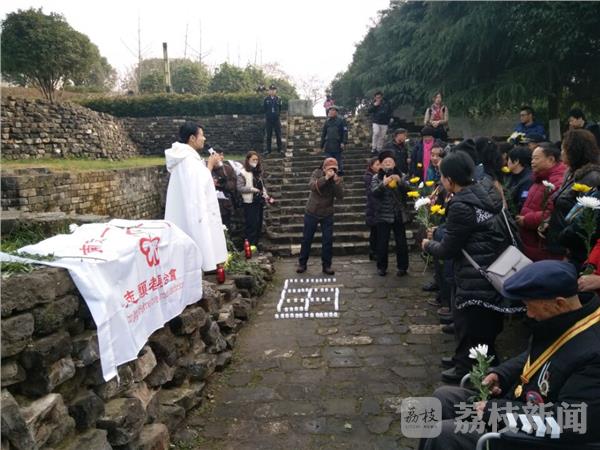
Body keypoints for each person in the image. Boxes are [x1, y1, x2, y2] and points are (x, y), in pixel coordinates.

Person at [419, 260, 600, 450]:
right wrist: (502, 374)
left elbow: (570, 420)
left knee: (444, 434)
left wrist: (498, 412)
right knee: (442, 399)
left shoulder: (593, 353)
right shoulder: (566, 319)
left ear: (559, 303)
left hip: (536, 437)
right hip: (519, 407)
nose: (529, 314)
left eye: (530, 306)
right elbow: (535, 355)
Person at [421, 151, 520, 383]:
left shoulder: (461, 205)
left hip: (475, 273)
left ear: (450, 180)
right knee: (480, 323)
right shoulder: (486, 190)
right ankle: (462, 358)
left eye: (442, 176)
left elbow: (448, 249)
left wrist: (428, 244)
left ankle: (469, 370)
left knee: (472, 324)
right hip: (492, 265)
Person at [164, 122, 227, 271]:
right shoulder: (187, 159)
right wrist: (210, 165)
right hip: (193, 210)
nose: (204, 139)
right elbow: (198, 186)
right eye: (201, 135)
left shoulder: (186, 157)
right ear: (192, 138)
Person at [544, 129, 600, 259]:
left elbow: (585, 218)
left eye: (564, 149)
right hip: (560, 241)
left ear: (575, 151)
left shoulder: (592, 177)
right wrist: (548, 222)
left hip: (573, 248)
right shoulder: (570, 173)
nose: (561, 153)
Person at [516, 142, 566, 261]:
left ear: (551, 160)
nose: (532, 162)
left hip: (544, 247)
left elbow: (552, 213)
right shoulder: (540, 178)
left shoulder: (557, 181)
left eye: (536, 158)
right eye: (532, 158)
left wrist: (526, 220)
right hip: (532, 244)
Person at [296, 158, 344, 275]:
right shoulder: (316, 173)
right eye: (329, 168)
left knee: (327, 240)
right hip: (312, 210)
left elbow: (340, 196)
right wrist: (325, 178)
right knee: (307, 238)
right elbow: (312, 186)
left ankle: (326, 265)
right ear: (324, 168)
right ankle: (302, 263)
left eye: (334, 169)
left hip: (327, 212)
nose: (332, 171)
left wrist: (336, 183)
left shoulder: (337, 178)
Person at [371, 150, 409, 277]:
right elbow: (374, 192)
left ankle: (402, 267)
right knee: (382, 243)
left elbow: (410, 190)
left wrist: (400, 181)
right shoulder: (376, 177)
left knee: (401, 242)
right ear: (381, 165)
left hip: (398, 214)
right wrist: (383, 184)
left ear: (394, 163)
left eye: (390, 161)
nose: (388, 163)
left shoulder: (402, 175)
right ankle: (381, 267)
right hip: (383, 214)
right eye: (385, 162)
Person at [237, 151, 269, 247]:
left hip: (259, 201)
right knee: (251, 225)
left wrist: (265, 193)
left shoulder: (257, 172)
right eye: (253, 159)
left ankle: (255, 244)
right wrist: (251, 189)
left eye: (256, 160)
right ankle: (250, 246)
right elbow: (239, 188)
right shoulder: (243, 173)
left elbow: (261, 185)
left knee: (258, 224)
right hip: (249, 202)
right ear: (248, 160)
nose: (255, 161)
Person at [211, 148, 238, 229]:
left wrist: (221, 184)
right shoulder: (207, 168)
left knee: (226, 226)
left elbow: (233, 184)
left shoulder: (228, 169)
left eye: (222, 155)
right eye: (219, 155)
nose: (221, 157)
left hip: (225, 204)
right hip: (212, 204)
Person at [320, 105, 348, 176]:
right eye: (330, 111)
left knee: (338, 161)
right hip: (328, 145)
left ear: (336, 112)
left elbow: (345, 132)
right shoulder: (327, 122)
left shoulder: (341, 121)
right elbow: (323, 134)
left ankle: (339, 174)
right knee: (329, 162)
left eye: (332, 110)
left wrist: (343, 142)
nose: (330, 112)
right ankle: (329, 175)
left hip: (337, 144)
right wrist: (321, 145)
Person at [505, 145, 533, 213]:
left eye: (508, 159)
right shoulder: (513, 176)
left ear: (516, 161)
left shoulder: (528, 180)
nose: (507, 162)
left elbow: (522, 203)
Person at [364, 157, 381, 261]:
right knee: (375, 231)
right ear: (371, 166)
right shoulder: (369, 177)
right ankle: (373, 252)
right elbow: (371, 193)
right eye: (377, 164)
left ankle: (375, 251)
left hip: (377, 207)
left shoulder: (379, 175)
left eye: (380, 164)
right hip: (373, 208)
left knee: (377, 232)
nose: (379, 166)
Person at [263, 84, 282, 155]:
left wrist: (277, 114)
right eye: (271, 90)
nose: (272, 91)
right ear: (269, 91)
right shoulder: (266, 99)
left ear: (276, 91)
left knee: (278, 135)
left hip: (276, 119)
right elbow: (265, 109)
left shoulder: (279, 99)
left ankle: (280, 149)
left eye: (274, 90)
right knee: (269, 135)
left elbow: (280, 108)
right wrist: (268, 115)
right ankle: (268, 150)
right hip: (269, 120)